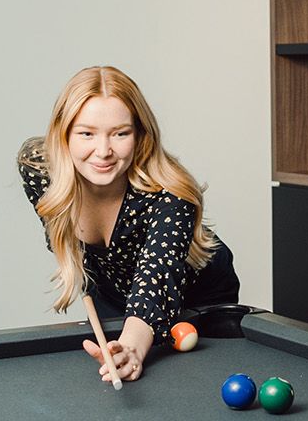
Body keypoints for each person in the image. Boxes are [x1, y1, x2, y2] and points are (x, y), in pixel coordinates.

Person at [18, 66, 240, 384]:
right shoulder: (39, 167)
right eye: (86, 133)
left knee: (188, 384)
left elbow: (153, 287)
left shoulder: (171, 196)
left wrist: (133, 347)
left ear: (140, 135)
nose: (104, 150)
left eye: (120, 133)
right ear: (63, 135)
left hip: (200, 296)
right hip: (112, 290)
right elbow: (55, 223)